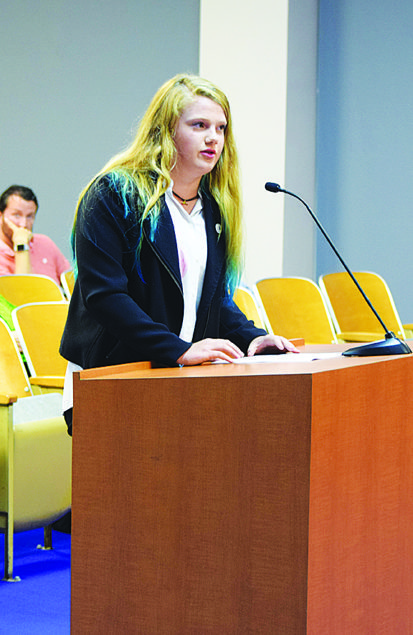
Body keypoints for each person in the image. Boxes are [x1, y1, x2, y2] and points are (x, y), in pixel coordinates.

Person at [60, 73, 298, 436]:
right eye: (199, 125)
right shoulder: (114, 194)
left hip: (176, 376)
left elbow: (213, 301)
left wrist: (252, 338)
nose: (213, 137)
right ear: (165, 131)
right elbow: (104, 297)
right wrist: (178, 349)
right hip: (111, 377)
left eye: (221, 128)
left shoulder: (213, 210)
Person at [0, 185, 70, 285]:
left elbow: (72, 284)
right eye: (17, 215)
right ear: (1, 216)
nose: (23, 224)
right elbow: (23, 290)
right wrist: (21, 245)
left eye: (30, 216)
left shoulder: (45, 243)